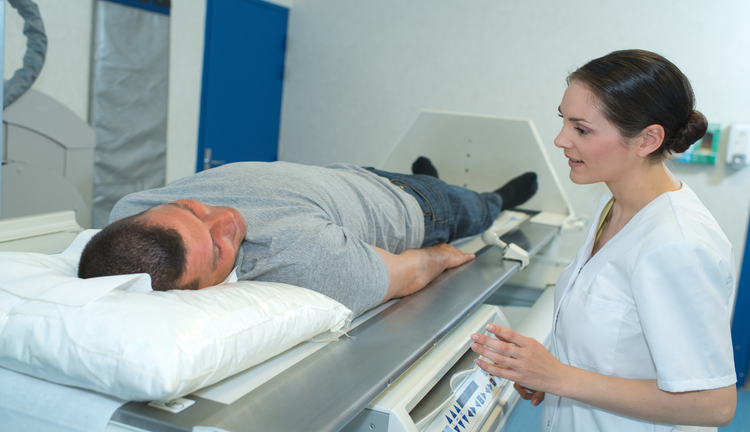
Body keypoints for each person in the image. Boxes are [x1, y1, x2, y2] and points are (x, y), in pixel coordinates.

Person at [470, 49, 737, 431]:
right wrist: (548, 372)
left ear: (647, 139)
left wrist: (559, 377)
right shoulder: (614, 203)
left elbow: (712, 405)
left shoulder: (679, 245)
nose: (561, 140)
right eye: (563, 121)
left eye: (581, 129)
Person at [78, 159, 537, 317]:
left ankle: (445, 182)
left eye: (191, 209)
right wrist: (440, 254)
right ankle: (498, 198)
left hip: (348, 175)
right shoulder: (301, 258)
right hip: (420, 207)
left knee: (458, 197)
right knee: (475, 209)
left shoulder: (129, 212)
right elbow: (412, 271)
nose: (227, 218)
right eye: (218, 248)